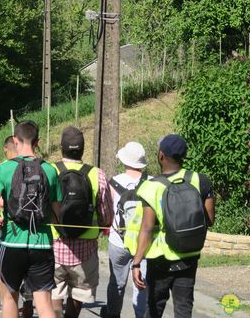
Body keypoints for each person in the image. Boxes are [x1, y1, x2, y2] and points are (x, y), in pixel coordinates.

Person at [0, 120, 62, 318]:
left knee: (10, 298)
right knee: (43, 303)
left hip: (11, 241)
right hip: (42, 243)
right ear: (38, 142)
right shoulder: (51, 170)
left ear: (15, 141)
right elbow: (58, 213)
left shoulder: (3, 170)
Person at [131, 134, 215, 318]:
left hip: (160, 260)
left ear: (161, 155)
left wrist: (136, 262)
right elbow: (209, 219)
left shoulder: (150, 187)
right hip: (189, 257)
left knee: (154, 309)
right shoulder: (200, 180)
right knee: (184, 310)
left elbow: (146, 228)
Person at [51, 126, 113, 318]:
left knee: (53, 291)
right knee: (79, 293)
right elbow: (107, 214)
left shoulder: (51, 171)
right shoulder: (97, 174)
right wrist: (103, 226)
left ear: (61, 148)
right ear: (83, 149)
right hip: (85, 251)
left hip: (53, 246)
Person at [101, 142, 149, 318]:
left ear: (124, 161)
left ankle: (113, 314)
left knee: (117, 283)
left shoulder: (114, 182)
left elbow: (106, 211)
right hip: (144, 243)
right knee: (141, 283)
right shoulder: (151, 182)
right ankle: (141, 315)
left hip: (118, 241)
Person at [0, 136, 19, 315]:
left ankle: (5, 302)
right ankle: (27, 302)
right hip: (32, 229)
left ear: (5, 149)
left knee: (2, 268)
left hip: (5, 227)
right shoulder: (35, 168)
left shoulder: (1, 170)